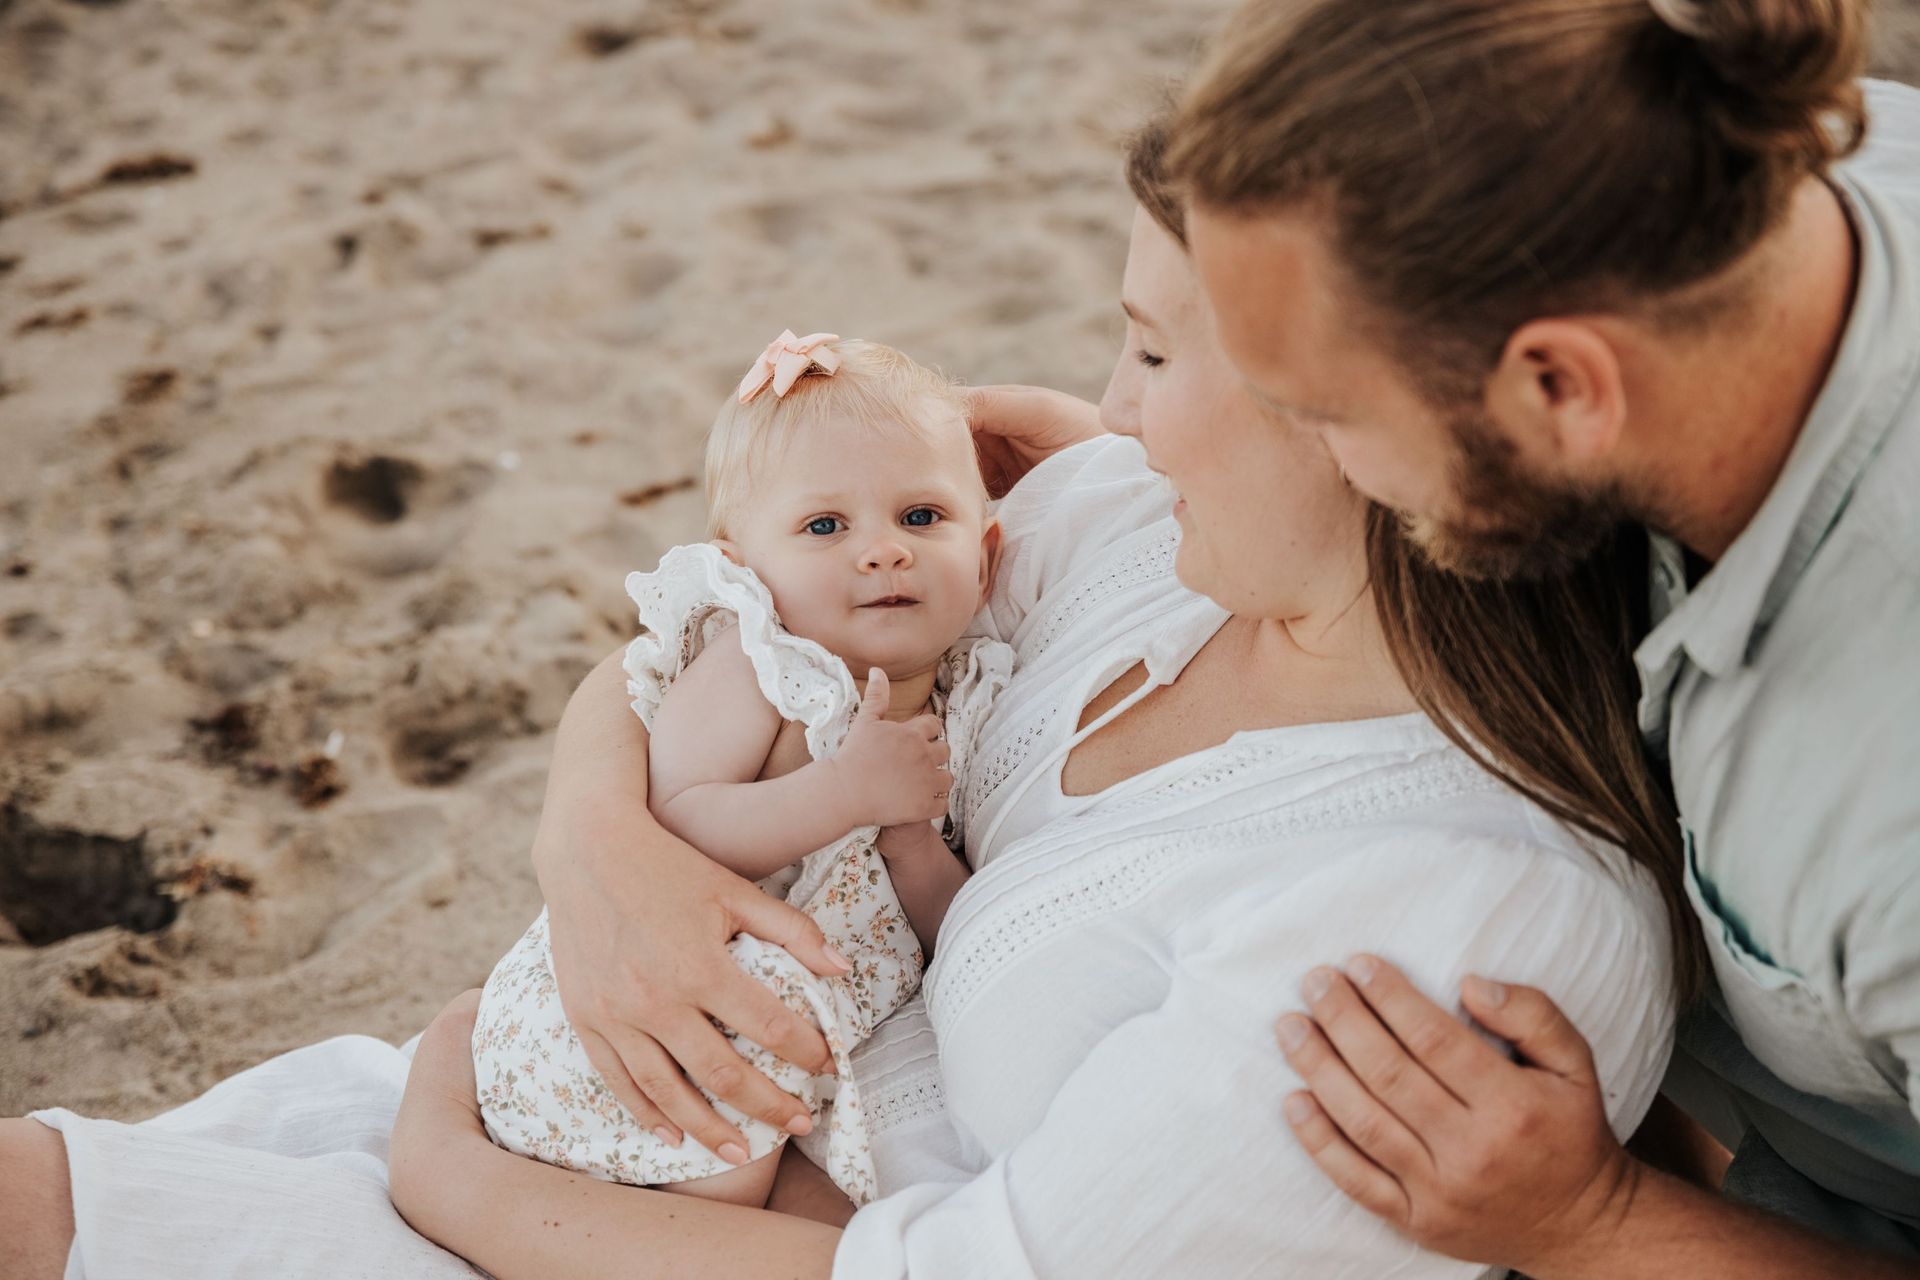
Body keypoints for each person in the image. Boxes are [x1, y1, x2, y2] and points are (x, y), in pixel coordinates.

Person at [0, 123, 1675, 1279]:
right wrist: (595, 834)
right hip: (615, 1111)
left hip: (636, 1217)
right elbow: (724, 634)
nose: (1099, 408)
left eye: (1158, 358)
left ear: (1387, 424)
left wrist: (462, 1186)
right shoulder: (1131, 531)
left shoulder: (1447, 928)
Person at [1162, 0, 1920, 1274]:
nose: (1326, 460)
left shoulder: (1892, 805)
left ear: (1562, 386)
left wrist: (1598, 1223)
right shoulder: (1750, 161)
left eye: (1325, 415)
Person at [472, 333, 1011, 1208]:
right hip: (631, 1008)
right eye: (825, 526)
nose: (882, 551)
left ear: (984, 561)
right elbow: (673, 822)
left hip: (783, 1035)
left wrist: (911, 835)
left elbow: (953, 925)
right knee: (727, 1167)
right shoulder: (762, 664)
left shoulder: (969, 696)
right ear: (743, 569)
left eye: (920, 518)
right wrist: (840, 794)